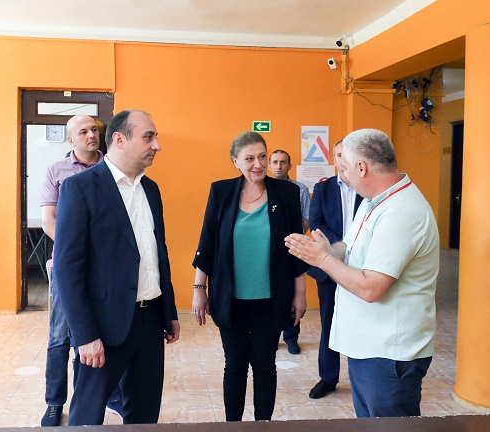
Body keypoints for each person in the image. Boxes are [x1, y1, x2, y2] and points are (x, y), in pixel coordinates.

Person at [285, 128, 439, 418]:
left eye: (344, 168)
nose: (343, 176)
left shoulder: (400, 213)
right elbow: (350, 249)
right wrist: (327, 250)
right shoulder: (373, 201)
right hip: (368, 347)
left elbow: (371, 288)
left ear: (361, 167)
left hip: (389, 353)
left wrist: (322, 259)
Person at [54, 110, 180, 425]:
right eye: (148, 137)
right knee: (88, 415)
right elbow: (67, 269)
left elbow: (157, 253)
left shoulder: (151, 189)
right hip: (104, 325)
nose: (157, 145)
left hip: (150, 320)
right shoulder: (80, 188)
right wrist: (84, 336)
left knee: (144, 414)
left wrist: (169, 311)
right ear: (120, 140)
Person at [192, 131, 309, 421]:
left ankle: (263, 425)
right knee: (234, 366)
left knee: (265, 365)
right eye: (249, 159)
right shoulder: (221, 192)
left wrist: (300, 293)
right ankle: (233, 425)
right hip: (230, 298)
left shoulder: (286, 194)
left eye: (262, 157)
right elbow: (207, 243)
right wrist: (199, 288)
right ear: (236, 161)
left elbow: (296, 248)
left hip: (271, 298)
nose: (258, 164)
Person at [40, 115, 123, 426]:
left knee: (103, 332)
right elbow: (49, 220)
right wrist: (76, 252)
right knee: (60, 336)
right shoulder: (57, 171)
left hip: (108, 270)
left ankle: (103, 396)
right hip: (70, 268)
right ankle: (54, 402)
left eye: (94, 130)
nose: (92, 135)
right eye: (84, 131)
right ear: (71, 139)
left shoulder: (113, 168)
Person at [306, 140, 362, 399]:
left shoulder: (367, 187)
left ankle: (362, 378)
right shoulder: (323, 188)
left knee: (362, 322)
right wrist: (341, 246)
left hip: (363, 267)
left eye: (348, 154)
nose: (343, 159)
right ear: (334, 159)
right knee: (330, 322)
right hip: (329, 266)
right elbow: (315, 223)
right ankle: (328, 378)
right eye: (340, 154)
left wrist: (354, 247)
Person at [268, 149, 310, 355]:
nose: (279, 166)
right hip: (271, 249)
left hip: (293, 247)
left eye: (283, 162)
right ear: (269, 165)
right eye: (275, 162)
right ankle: (272, 336)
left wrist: (295, 238)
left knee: (293, 292)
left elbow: (306, 217)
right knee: (273, 293)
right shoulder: (263, 188)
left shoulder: (300, 189)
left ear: (289, 166)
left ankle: (292, 337)